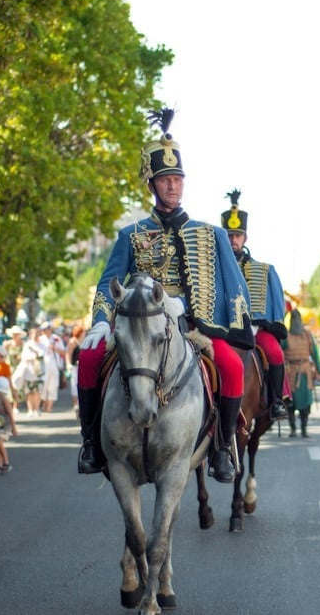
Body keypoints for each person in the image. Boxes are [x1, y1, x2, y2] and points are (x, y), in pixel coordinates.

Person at [77, 107, 254, 483]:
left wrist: (212, 319)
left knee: (234, 367)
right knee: (90, 358)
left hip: (192, 328)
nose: (172, 186)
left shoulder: (212, 234)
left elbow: (233, 286)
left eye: (177, 179)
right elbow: (109, 281)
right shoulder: (131, 234)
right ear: (151, 185)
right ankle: (92, 442)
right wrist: (99, 324)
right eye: (165, 179)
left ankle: (222, 447)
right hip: (139, 325)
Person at [220, 189, 289, 422]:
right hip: (224, 330)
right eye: (229, 235)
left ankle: (276, 401)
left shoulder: (265, 270)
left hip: (257, 332)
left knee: (275, 353)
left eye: (237, 235)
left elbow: (278, 304)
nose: (233, 240)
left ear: (245, 238)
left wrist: (267, 325)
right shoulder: (214, 270)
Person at [283, 308, 320, 437]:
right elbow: (280, 354)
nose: (296, 321)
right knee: (290, 403)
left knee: (306, 403)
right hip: (291, 373)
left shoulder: (307, 335)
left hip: (305, 373)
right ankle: (293, 428)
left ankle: (304, 428)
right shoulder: (286, 336)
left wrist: (319, 370)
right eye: (294, 319)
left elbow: (314, 353)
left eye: (297, 318)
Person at [0, 376, 18, 475]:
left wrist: (14, 427)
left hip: (5, 425)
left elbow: (10, 413)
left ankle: (6, 463)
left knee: (0, 442)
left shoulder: (4, 400)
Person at [66, 325, 85, 417]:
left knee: (81, 384)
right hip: (74, 366)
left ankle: (80, 405)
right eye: (83, 331)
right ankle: (76, 405)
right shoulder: (73, 341)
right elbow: (68, 354)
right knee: (74, 385)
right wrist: (68, 364)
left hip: (82, 366)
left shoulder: (83, 341)